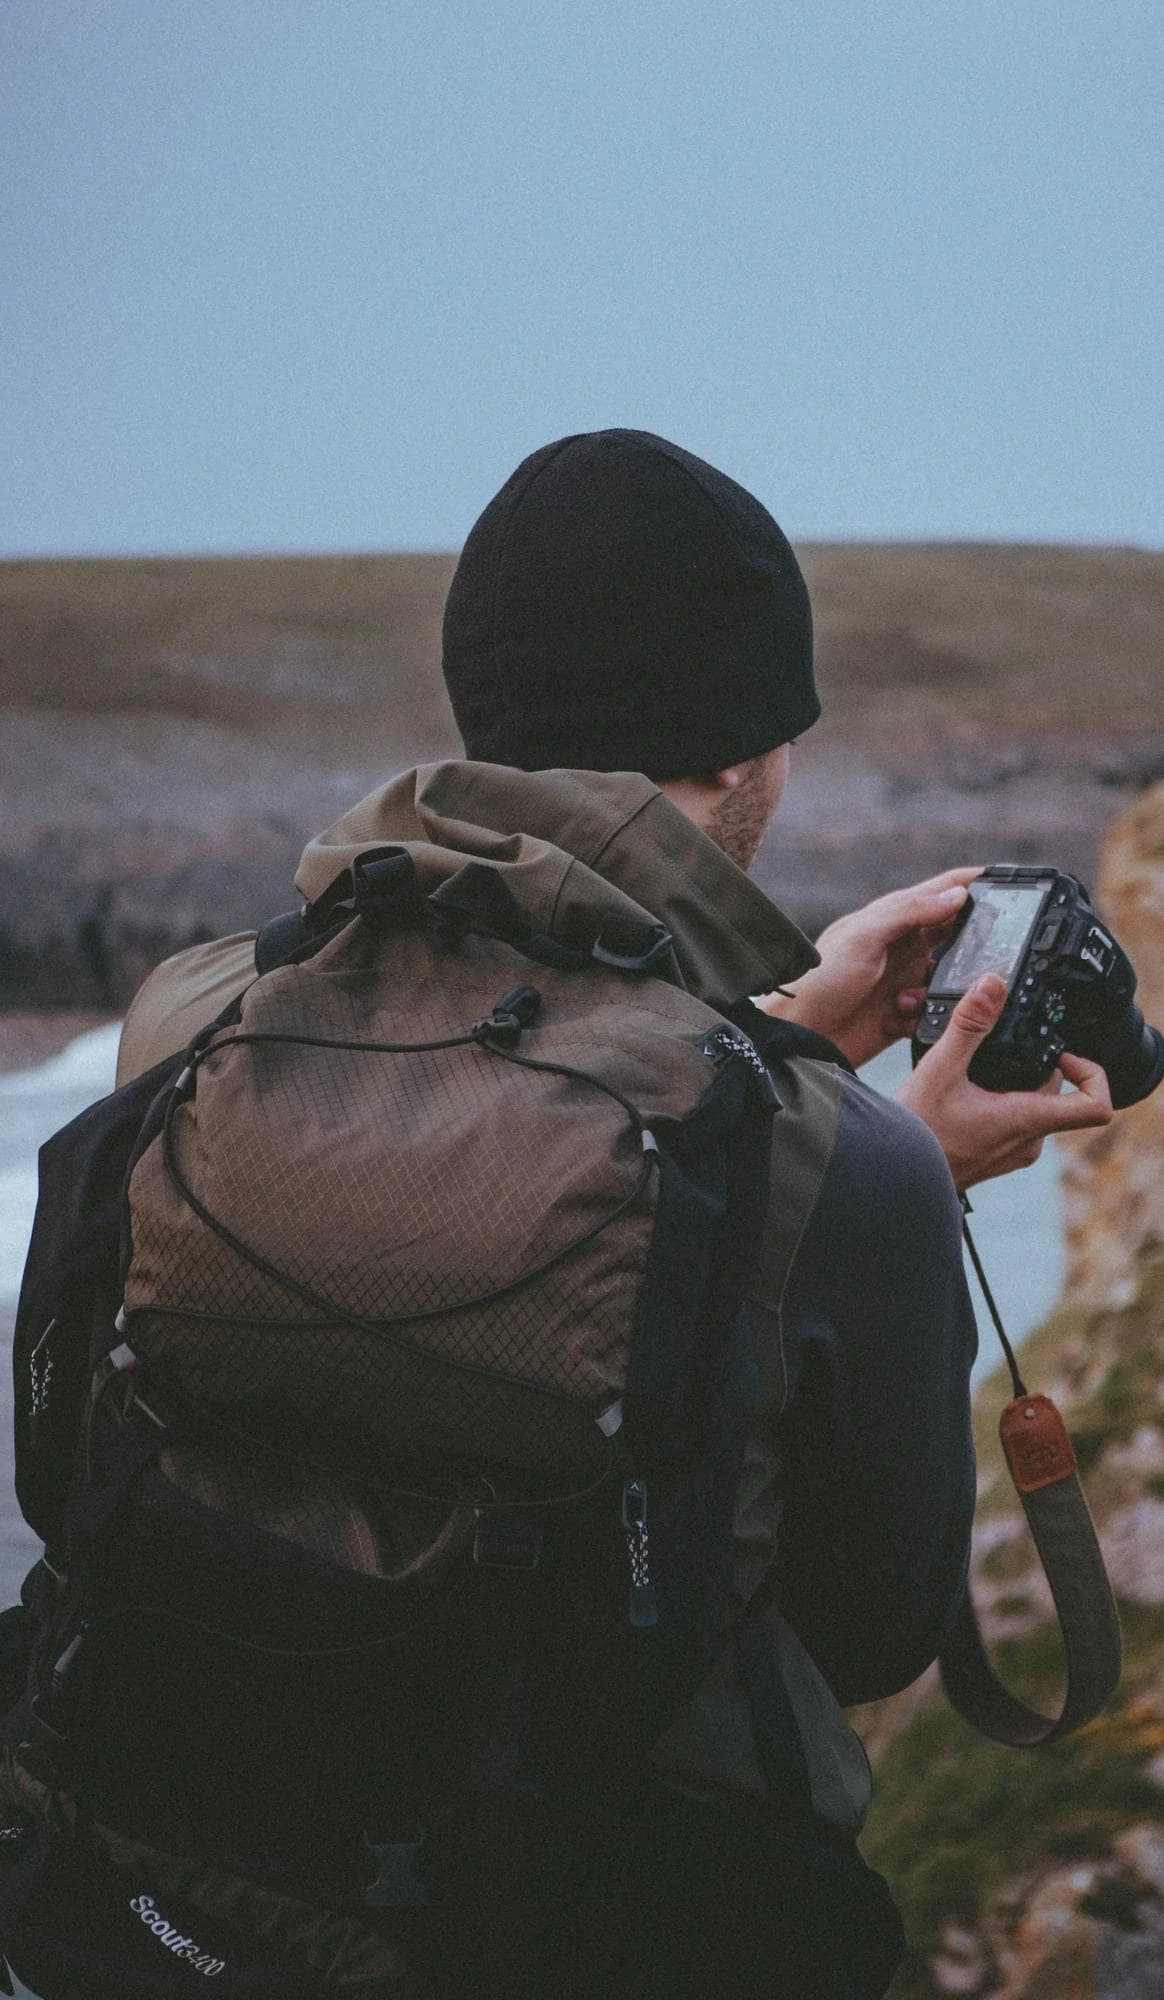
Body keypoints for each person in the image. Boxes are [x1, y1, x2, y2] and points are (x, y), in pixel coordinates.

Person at [112, 429, 1112, 1997]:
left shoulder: (192, 1018)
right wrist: (877, 1156)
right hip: (627, 1926)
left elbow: (482, 1075)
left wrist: (769, 1031)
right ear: (734, 753)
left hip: (216, 1872)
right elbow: (864, 1636)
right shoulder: (847, 1171)